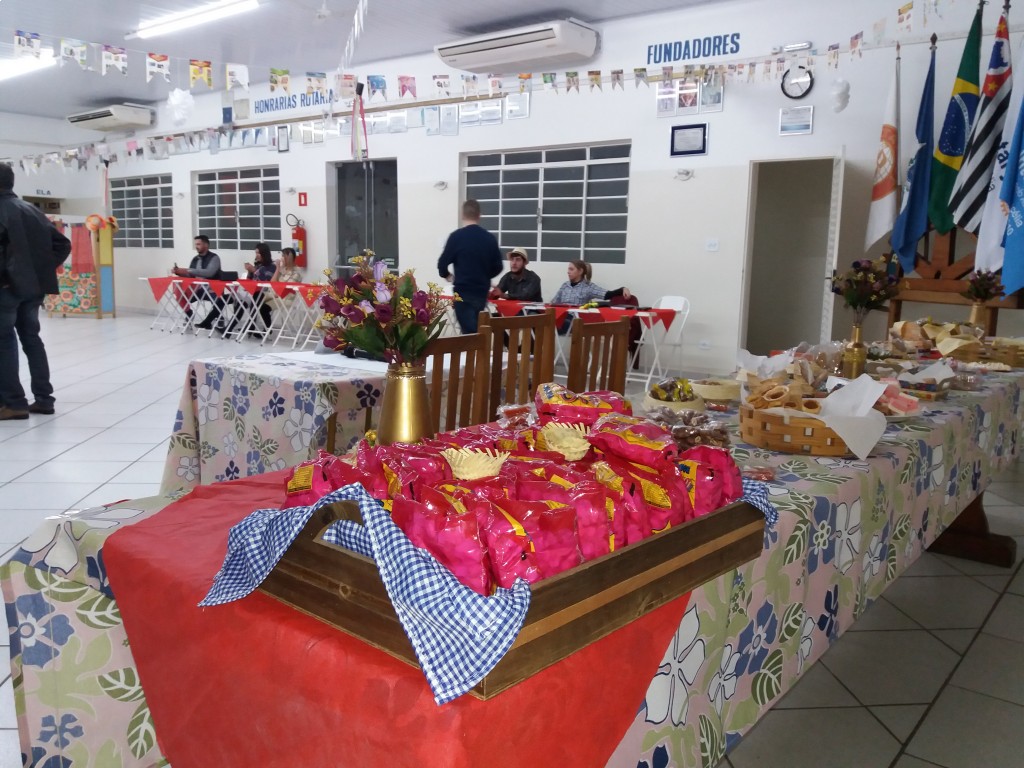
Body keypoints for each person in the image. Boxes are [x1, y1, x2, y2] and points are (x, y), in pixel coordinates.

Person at [0, 163, 72, 419]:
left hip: (7, 289)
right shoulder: (31, 210)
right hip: (32, 288)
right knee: (31, 339)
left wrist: (10, 277)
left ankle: (14, 403)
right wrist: (37, 272)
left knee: (4, 342)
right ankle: (44, 399)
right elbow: (62, 244)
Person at [437, 199, 503, 333]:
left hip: (463, 292)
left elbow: (442, 264)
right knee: (476, 330)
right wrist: (484, 275)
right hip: (481, 292)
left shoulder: (456, 237)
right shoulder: (489, 238)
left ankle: (476, 346)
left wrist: (449, 276)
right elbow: (498, 266)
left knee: (470, 334)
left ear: (462, 215)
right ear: (479, 215)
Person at [550, 260, 632, 334]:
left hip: (576, 320)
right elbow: (553, 302)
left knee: (553, 324)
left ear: (580, 271)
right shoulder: (565, 285)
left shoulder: (588, 287)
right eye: (568, 269)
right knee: (547, 321)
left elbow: (607, 294)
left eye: (571, 269)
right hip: (561, 316)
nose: (568, 272)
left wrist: (622, 289)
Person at [171, 236, 224, 330]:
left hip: (212, 288)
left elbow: (209, 273)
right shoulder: (195, 259)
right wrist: (179, 272)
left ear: (206, 245)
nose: (196, 246)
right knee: (180, 293)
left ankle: (219, 317)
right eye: (196, 244)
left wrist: (189, 270)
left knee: (218, 299)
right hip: (197, 289)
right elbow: (190, 275)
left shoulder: (214, 258)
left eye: (198, 244)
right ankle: (189, 313)